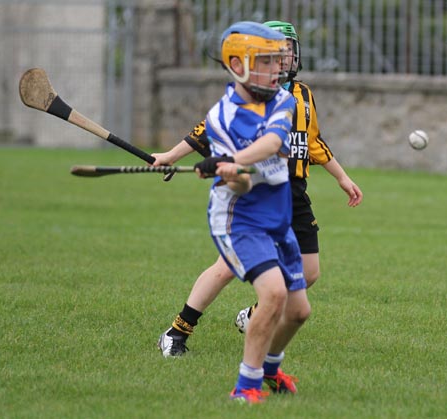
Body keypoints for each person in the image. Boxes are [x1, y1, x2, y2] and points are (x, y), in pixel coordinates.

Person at [155, 19, 363, 358]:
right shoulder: (252, 97)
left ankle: (251, 316)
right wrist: (169, 156)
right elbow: (204, 131)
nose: (281, 62)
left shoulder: (303, 95)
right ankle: (177, 331)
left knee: (309, 273)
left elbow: (312, 142)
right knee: (227, 267)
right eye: (271, 56)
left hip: (293, 194)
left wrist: (341, 177)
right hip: (253, 190)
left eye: (285, 53)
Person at [161, 20, 307, 404]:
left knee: (298, 312)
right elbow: (240, 187)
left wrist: (232, 160)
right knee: (273, 295)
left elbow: (274, 141)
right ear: (239, 65)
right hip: (239, 218)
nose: (278, 69)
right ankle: (246, 388)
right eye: (267, 61)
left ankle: (272, 371)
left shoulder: (283, 100)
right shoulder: (221, 118)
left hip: (278, 216)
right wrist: (232, 173)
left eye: (278, 61)